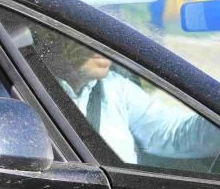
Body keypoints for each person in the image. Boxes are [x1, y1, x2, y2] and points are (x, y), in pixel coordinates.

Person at [36, 33, 220, 164]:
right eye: (86, 37)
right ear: (55, 38)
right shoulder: (27, 89)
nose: (104, 46)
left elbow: (173, 134)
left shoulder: (114, 86)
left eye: (105, 35)